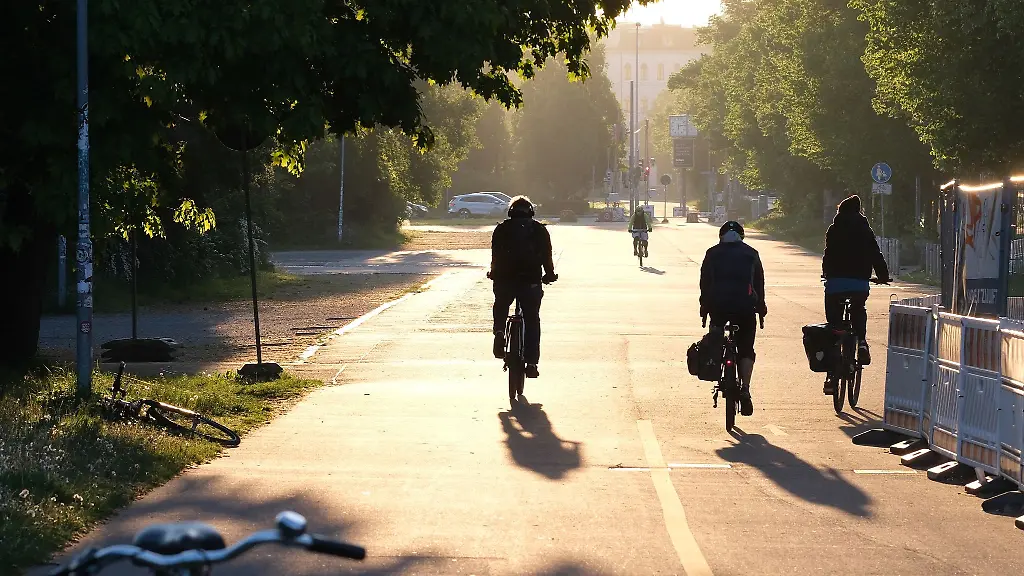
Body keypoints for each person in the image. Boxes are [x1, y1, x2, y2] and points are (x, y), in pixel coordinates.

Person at [699, 221, 767, 416]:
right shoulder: (752, 253)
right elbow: (759, 284)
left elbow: (705, 283)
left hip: (718, 307)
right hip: (745, 308)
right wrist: (760, 307)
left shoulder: (712, 253)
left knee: (716, 338)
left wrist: (704, 307)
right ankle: (745, 388)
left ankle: (716, 362)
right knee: (746, 349)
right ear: (741, 236)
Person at [489, 196, 557, 378]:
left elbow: (495, 255)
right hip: (530, 280)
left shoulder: (501, 229)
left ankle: (499, 331)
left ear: (510, 212)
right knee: (532, 319)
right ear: (531, 212)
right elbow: (546, 256)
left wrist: (493, 272)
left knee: (501, 304)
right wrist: (549, 274)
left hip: (505, 279)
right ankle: (532, 362)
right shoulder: (539, 230)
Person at [822, 194, 891, 371]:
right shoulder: (865, 230)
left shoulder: (833, 229)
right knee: (858, 308)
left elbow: (828, 254)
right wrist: (882, 276)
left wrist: (826, 273)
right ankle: (861, 342)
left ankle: (833, 363)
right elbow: (876, 254)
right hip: (859, 283)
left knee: (833, 318)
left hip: (835, 282)